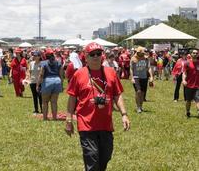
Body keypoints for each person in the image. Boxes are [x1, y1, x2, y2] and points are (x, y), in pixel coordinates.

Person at [65, 42, 130, 171]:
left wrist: (124, 114)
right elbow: (72, 98)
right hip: (86, 124)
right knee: (92, 158)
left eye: (98, 54)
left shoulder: (110, 73)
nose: (96, 57)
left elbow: (117, 95)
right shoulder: (79, 75)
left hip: (105, 124)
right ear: (86, 57)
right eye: (92, 54)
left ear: (102, 56)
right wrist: (69, 119)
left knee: (105, 157)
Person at [37, 48, 63, 121]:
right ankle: (54, 118)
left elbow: (41, 75)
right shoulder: (58, 62)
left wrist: (38, 84)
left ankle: (45, 118)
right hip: (57, 81)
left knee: (45, 102)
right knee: (54, 102)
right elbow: (61, 75)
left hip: (47, 82)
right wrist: (61, 84)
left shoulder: (43, 63)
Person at [130, 46, 153, 113]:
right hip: (136, 77)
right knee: (138, 91)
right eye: (142, 53)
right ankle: (138, 107)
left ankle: (141, 106)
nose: (143, 54)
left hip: (144, 77)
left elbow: (149, 68)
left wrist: (151, 77)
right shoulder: (133, 59)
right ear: (138, 52)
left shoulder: (146, 59)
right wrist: (132, 78)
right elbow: (131, 69)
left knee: (143, 93)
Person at [182, 49, 199, 118]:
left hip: (198, 86)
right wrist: (183, 80)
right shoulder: (187, 63)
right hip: (189, 85)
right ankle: (187, 111)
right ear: (191, 54)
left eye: (196, 53)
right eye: (194, 53)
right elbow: (184, 73)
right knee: (188, 101)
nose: (195, 54)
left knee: (198, 99)